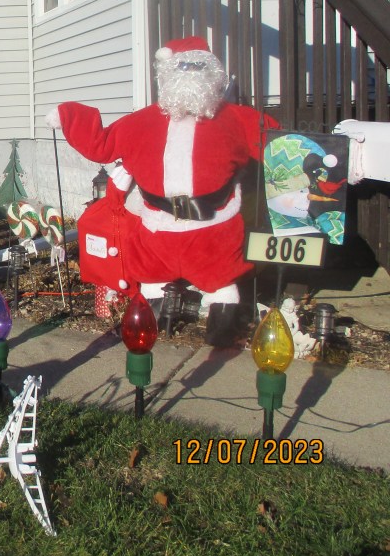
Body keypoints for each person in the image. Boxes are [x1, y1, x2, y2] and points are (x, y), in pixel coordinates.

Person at [47, 35, 279, 344]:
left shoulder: (236, 119)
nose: (190, 74)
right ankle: (153, 317)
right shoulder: (142, 121)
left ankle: (222, 327)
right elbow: (102, 143)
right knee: (152, 277)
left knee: (221, 279)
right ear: (167, 75)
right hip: (158, 228)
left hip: (214, 228)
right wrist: (69, 116)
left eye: (197, 67)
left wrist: (332, 160)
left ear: (213, 75)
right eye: (183, 68)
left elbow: (281, 145)